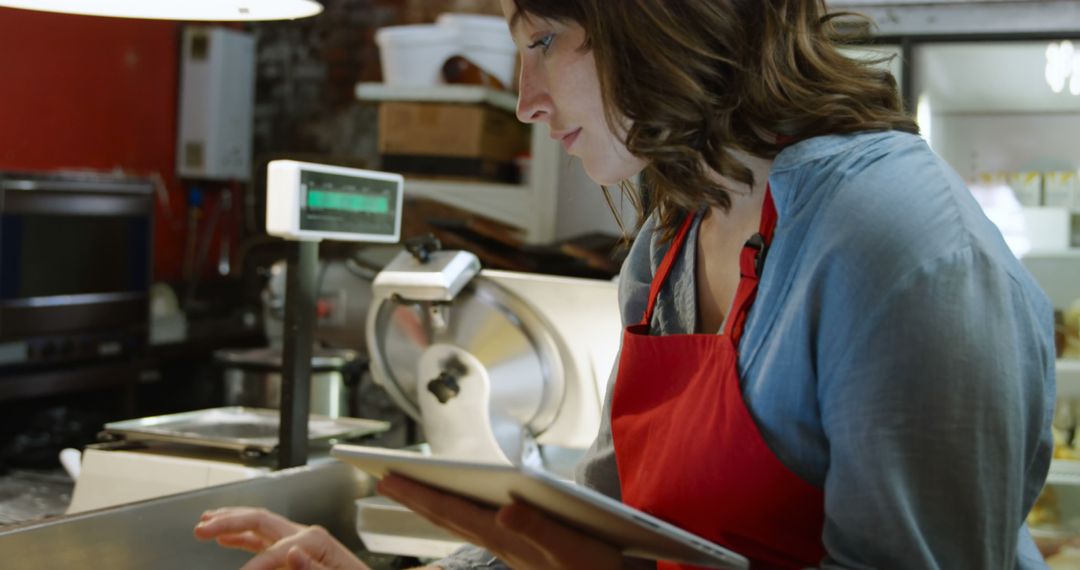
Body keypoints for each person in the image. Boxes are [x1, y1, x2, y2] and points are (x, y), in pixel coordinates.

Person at [194, 0, 1057, 568]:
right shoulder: (668, 243)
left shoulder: (898, 248)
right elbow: (603, 516)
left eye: (543, 40)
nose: (526, 99)